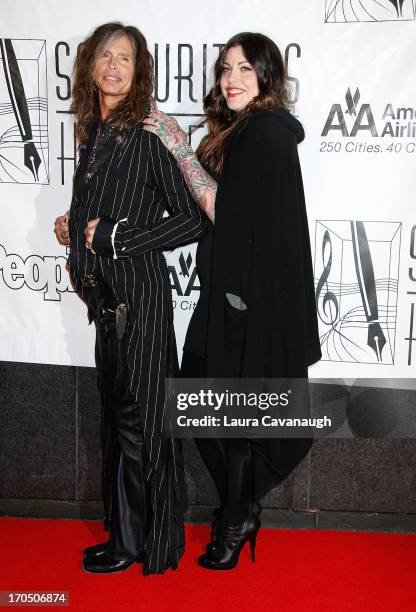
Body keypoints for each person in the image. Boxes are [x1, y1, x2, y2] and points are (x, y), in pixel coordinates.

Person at [143, 31, 321, 570]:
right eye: (226, 68)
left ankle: (236, 517)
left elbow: (228, 211)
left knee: (234, 418)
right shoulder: (242, 132)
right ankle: (240, 509)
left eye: (246, 69)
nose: (232, 78)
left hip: (248, 302)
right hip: (229, 297)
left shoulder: (264, 133)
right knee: (206, 406)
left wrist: (177, 146)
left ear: (268, 78)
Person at [54, 22, 205, 575]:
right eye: (105, 57)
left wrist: (117, 236)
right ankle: (127, 534)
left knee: (141, 423)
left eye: (125, 59)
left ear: (139, 73)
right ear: (90, 67)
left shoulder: (146, 135)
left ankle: (144, 544)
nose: (113, 67)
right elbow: (101, 215)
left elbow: (192, 217)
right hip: (107, 307)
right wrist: (74, 226)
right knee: (122, 423)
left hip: (138, 303)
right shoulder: (94, 135)